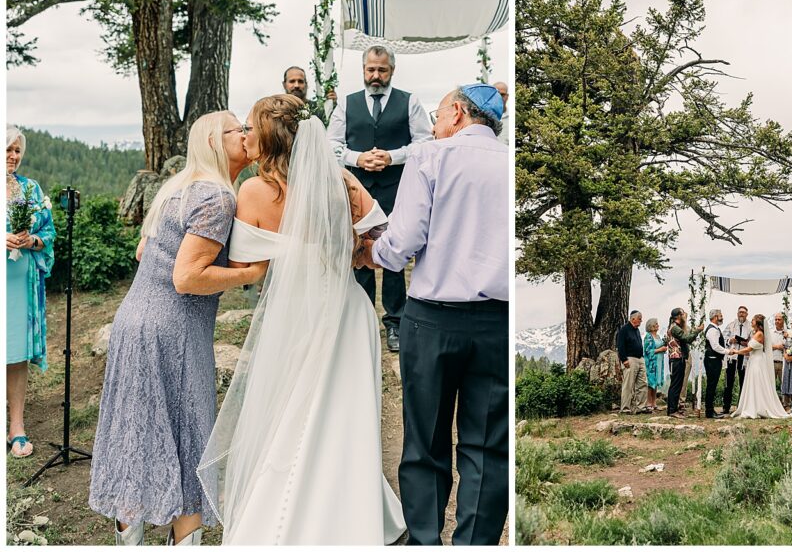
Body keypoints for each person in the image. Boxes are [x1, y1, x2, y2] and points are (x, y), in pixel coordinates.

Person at [197, 94, 404, 545]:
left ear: (268, 139)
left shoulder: (252, 192)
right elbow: (383, 237)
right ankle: (352, 512)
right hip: (348, 312)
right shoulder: (341, 181)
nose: (246, 134)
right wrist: (356, 252)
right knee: (345, 417)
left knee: (289, 415)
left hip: (294, 316)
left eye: (250, 127)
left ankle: (288, 520)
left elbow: (244, 263)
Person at [89, 113, 267, 546]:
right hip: (174, 329)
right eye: (237, 129)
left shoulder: (179, 188)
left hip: (134, 321)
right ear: (212, 140)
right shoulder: (218, 198)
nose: (246, 134)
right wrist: (252, 273)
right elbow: (186, 278)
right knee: (189, 435)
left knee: (138, 430)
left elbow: (143, 251)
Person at [368, 83, 507, 546]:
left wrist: (373, 251)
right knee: (487, 446)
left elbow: (404, 242)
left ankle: (426, 540)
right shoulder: (511, 164)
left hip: (431, 319)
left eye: (438, 114)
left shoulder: (431, 157)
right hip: (497, 323)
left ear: (458, 114)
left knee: (425, 441)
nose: (433, 124)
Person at [326, 45, 432, 352]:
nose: (375, 75)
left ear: (392, 71)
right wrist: (358, 158)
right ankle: (361, 320)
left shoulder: (409, 101)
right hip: (357, 189)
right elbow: (331, 143)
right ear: (363, 70)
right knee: (359, 250)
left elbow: (424, 142)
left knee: (394, 255)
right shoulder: (347, 104)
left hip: (397, 188)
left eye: (381, 70)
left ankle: (395, 322)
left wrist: (392, 156)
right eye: (370, 70)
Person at [6, 126, 56, 459]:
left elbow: (48, 234)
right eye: (7, 149)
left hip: (19, 283)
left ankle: (17, 427)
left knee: (15, 353)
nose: (13, 156)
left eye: (17, 151)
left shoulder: (31, 189)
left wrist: (32, 241)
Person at [730, 314, 791, 419]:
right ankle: (754, 405)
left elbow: (748, 349)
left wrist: (736, 351)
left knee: (757, 383)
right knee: (754, 383)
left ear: (758, 323)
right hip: (753, 360)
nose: (751, 321)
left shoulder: (759, 334)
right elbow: (750, 350)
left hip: (757, 362)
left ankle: (759, 407)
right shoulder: (756, 333)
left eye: (753, 320)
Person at [666, 308, 702, 419]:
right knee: (675, 385)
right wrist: (697, 331)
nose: (684, 316)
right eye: (683, 314)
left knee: (677, 384)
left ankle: (673, 409)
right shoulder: (675, 328)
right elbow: (687, 338)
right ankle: (672, 410)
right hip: (676, 358)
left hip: (679, 358)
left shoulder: (675, 327)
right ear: (678, 316)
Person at [616, 310, 647, 415]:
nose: (641, 320)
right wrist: (624, 359)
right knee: (628, 384)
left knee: (642, 383)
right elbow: (620, 345)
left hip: (640, 359)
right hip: (630, 359)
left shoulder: (637, 330)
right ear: (633, 318)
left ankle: (640, 407)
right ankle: (625, 408)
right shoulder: (624, 330)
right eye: (639, 318)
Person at [722, 306, 750, 415]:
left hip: (744, 356)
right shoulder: (731, 325)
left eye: (743, 313)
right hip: (732, 356)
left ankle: (741, 406)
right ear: (737, 314)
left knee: (743, 382)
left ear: (747, 314)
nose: (741, 314)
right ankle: (726, 407)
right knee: (729, 382)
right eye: (740, 312)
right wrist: (730, 340)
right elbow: (723, 338)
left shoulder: (750, 326)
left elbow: (753, 340)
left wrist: (746, 343)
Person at [702, 309, 729, 419]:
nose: (722, 317)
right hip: (712, 360)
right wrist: (727, 351)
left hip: (713, 360)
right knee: (711, 386)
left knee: (712, 385)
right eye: (720, 316)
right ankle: (709, 411)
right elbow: (715, 346)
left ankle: (711, 409)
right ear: (715, 317)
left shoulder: (715, 329)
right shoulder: (713, 330)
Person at [642, 318, 668, 412]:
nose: (658, 325)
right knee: (650, 382)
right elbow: (647, 351)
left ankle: (654, 402)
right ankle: (648, 402)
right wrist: (660, 350)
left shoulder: (658, 336)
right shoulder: (648, 337)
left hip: (659, 361)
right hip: (651, 363)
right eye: (656, 324)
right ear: (651, 326)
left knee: (656, 381)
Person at [771, 312, 789, 390]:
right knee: (771, 386)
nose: (777, 321)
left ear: (783, 321)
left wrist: (785, 347)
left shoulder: (788, 333)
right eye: (776, 319)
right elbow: (766, 347)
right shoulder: (770, 333)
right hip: (772, 362)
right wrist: (777, 346)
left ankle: (786, 402)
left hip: (784, 363)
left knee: (785, 386)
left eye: (779, 319)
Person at [493, 80, 510, 146]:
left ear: (507, 96)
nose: (499, 97)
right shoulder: (483, 118)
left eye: (502, 94)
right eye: (496, 94)